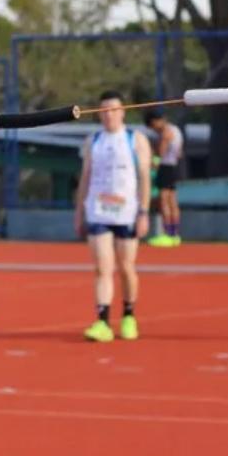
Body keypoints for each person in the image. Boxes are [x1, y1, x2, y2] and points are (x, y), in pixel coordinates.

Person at [74, 91, 152, 342]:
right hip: (98, 211)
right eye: (104, 110)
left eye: (113, 110)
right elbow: (85, 178)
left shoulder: (135, 140)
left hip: (127, 212)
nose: (108, 115)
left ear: (122, 111)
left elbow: (145, 178)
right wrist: (79, 211)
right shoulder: (93, 141)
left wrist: (143, 212)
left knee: (126, 267)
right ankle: (102, 322)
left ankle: (129, 314)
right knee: (102, 268)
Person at [143, 110, 183, 246]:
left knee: (164, 201)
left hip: (165, 168)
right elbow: (179, 154)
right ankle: (175, 234)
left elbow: (160, 154)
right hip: (173, 167)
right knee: (172, 202)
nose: (154, 129)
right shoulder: (176, 130)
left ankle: (168, 234)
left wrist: (151, 166)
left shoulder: (166, 132)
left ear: (156, 121)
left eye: (153, 126)